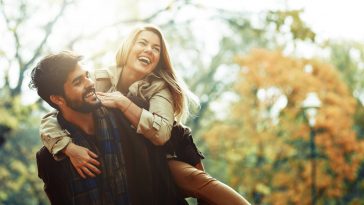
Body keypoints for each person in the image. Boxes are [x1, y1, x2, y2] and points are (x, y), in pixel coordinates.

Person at [40, 25, 251, 205]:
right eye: (142, 43)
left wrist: (123, 103)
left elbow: (161, 135)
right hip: (127, 152)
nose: (148, 50)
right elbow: (57, 114)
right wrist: (68, 147)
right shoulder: (99, 78)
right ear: (129, 47)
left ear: (160, 58)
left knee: (203, 186)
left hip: (164, 152)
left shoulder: (159, 88)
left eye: (156, 48)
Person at [30, 51, 187, 205]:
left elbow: (177, 134)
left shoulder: (128, 114)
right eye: (78, 82)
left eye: (87, 75)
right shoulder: (49, 159)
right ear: (58, 99)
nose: (90, 83)